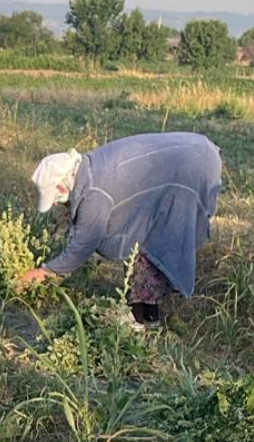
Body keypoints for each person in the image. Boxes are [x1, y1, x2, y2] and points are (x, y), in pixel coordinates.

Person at [18, 132, 222, 328]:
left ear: (63, 188)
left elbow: (82, 246)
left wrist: (43, 272)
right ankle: (147, 318)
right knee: (140, 236)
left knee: (150, 243)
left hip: (191, 167)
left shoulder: (94, 193)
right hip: (194, 151)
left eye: (56, 200)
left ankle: (143, 322)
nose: (56, 205)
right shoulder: (90, 167)